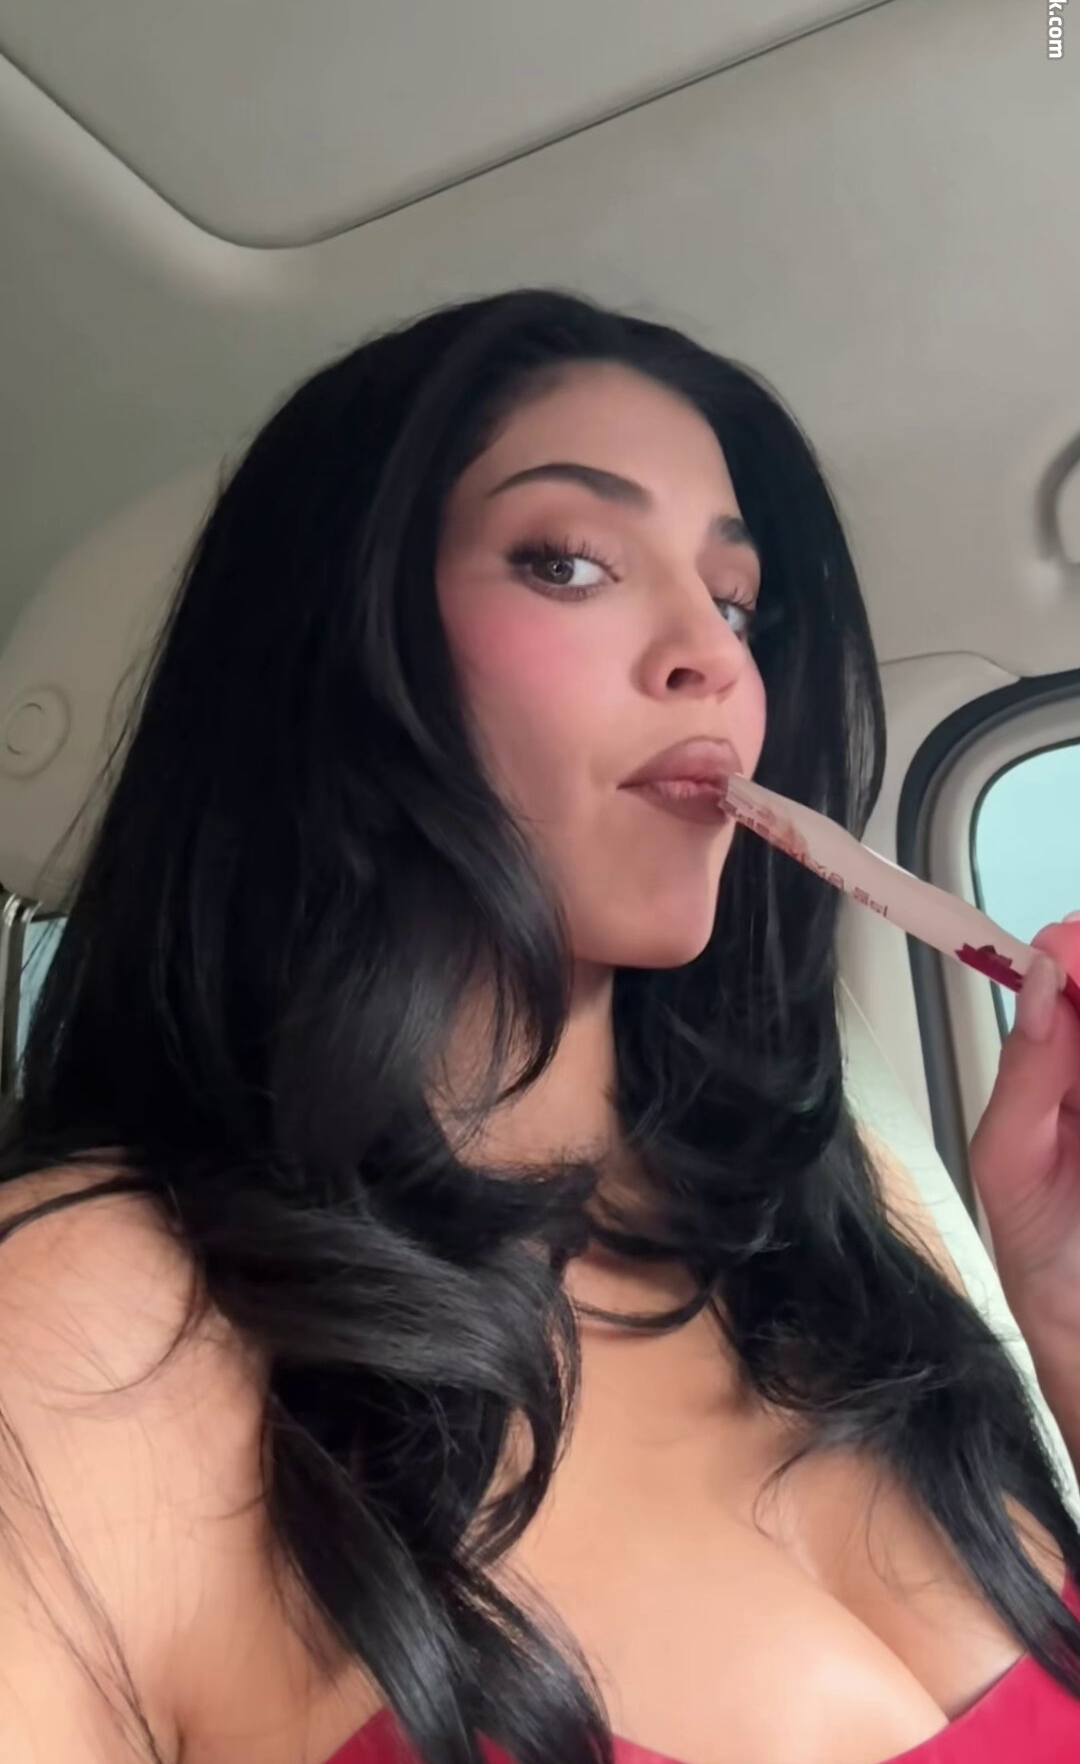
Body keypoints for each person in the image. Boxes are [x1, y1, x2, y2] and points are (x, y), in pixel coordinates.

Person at [0, 289, 1078, 1764]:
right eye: (568, 562)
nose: (712, 655)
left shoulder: (840, 1222)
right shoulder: (83, 1321)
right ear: (326, 650)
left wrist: (1065, 1315)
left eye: (737, 601)